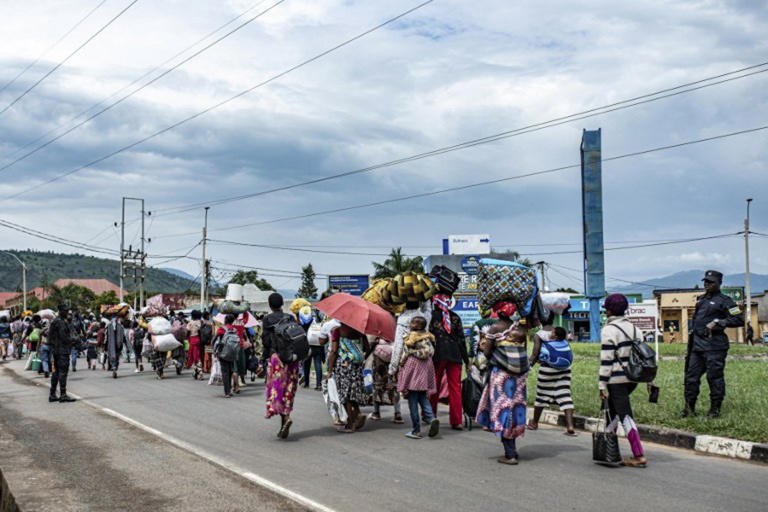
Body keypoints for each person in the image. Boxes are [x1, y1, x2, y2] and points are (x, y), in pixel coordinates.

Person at [682, 270, 744, 419]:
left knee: (714, 378)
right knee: (690, 378)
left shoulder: (726, 301)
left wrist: (719, 322)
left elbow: (739, 319)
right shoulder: (701, 300)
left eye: (711, 282)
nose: (707, 284)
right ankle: (689, 408)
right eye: (705, 281)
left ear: (719, 283)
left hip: (714, 346)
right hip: (696, 346)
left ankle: (714, 410)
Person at [476, 301, 529, 465]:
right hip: (520, 376)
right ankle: (512, 449)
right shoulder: (519, 328)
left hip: (501, 374)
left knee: (503, 409)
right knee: (515, 408)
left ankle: (510, 454)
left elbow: (487, 352)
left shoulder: (495, 328)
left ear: (498, 312)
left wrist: (483, 347)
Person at [599, 293, 646, 468]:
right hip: (632, 379)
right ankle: (608, 451)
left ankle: (638, 454)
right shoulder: (635, 329)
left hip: (616, 379)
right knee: (612, 412)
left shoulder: (609, 330)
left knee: (625, 415)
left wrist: (602, 384)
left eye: (606, 309)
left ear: (609, 311)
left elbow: (607, 360)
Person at [262, 293, 300, 439]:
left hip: (277, 358)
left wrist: (263, 357)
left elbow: (266, 341)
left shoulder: (267, 320)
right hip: (292, 359)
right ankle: (285, 419)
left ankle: (285, 419)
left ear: (270, 305)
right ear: (282, 304)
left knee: (277, 389)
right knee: (288, 389)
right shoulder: (290, 318)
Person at [429, 293, 469, 430]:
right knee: (455, 388)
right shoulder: (455, 317)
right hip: (455, 355)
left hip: (437, 355)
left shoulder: (431, 317)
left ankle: (430, 415)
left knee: (434, 386)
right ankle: (457, 421)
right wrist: (467, 361)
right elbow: (461, 340)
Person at [528, 324, 576, 435]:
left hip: (547, 371)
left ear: (555, 335)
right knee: (565, 395)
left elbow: (537, 355)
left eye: (553, 332)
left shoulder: (540, 337)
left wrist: (529, 367)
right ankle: (570, 426)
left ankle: (534, 423)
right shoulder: (565, 343)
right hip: (565, 371)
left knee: (541, 396)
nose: (551, 333)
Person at [397, 316, 439, 439]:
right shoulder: (428, 337)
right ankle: (431, 419)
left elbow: (406, 352)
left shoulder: (412, 337)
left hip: (414, 369)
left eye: (413, 323)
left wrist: (402, 362)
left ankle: (416, 430)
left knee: (413, 402)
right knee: (423, 397)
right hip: (425, 369)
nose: (410, 324)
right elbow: (431, 352)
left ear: (419, 326)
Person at [327, 322, 370, 433]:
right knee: (353, 392)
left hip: (343, 365)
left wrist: (330, 370)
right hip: (356, 365)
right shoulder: (359, 331)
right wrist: (357, 355)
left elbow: (334, 351)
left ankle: (351, 424)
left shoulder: (338, 331)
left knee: (344, 394)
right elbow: (367, 348)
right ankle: (358, 414)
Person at [48, 306, 78, 403]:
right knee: (63, 373)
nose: (67, 313)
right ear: (61, 311)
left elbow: (49, 338)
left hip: (55, 351)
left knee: (56, 373)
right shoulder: (60, 322)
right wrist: (74, 340)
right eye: (65, 311)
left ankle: (52, 394)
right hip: (62, 351)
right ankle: (63, 394)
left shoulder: (54, 322)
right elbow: (64, 337)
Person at [213, 314, 242, 398]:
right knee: (230, 371)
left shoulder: (222, 329)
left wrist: (214, 349)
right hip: (232, 353)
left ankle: (227, 392)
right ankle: (229, 390)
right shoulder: (234, 330)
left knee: (225, 372)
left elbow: (214, 339)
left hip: (223, 353)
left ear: (225, 320)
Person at [105, 314, 126, 379]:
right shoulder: (120, 326)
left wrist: (104, 345)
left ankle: (114, 367)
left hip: (112, 344)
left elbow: (106, 337)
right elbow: (123, 336)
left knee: (112, 356)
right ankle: (114, 367)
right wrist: (126, 344)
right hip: (118, 344)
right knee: (116, 356)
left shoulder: (108, 326)